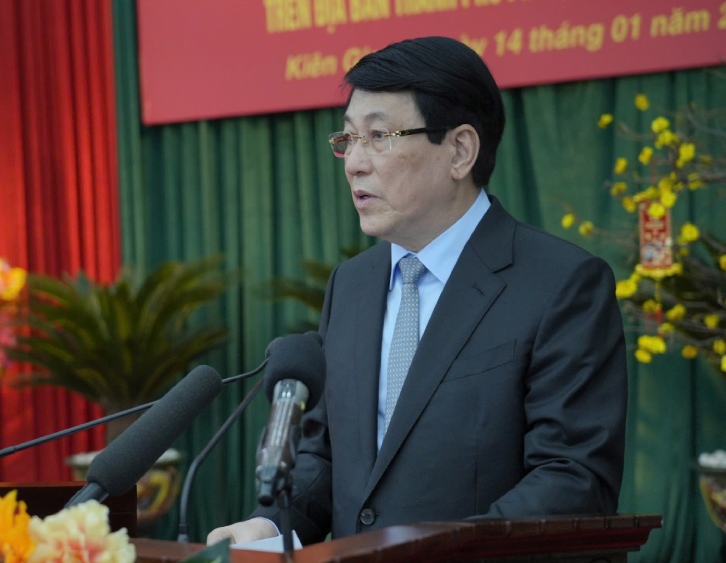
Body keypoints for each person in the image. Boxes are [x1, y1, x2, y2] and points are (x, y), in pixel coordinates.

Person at [208, 36, 627, 545]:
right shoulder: (352, 285)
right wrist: (271, 525)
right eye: (347, 140)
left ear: (459, 151)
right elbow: (323, 456)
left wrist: (437, 553)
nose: (353, 164)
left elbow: (572, 479)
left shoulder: (561, 283)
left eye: (378, 136)